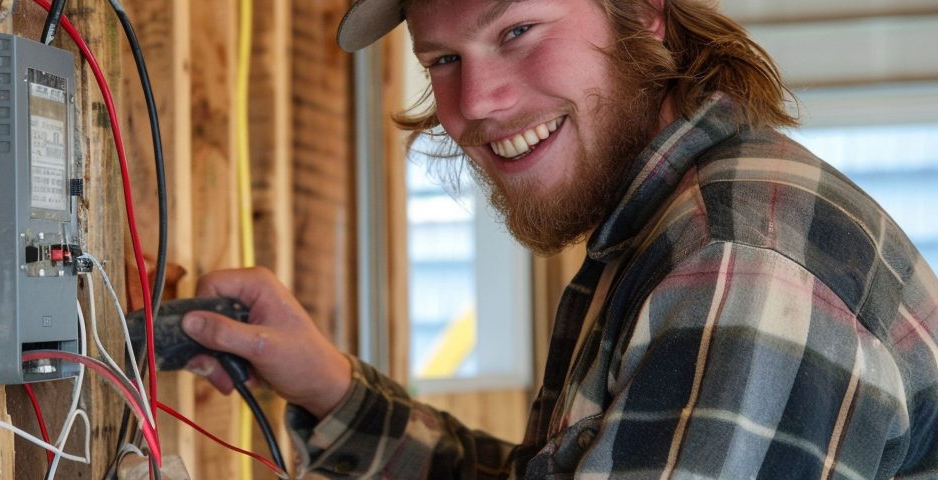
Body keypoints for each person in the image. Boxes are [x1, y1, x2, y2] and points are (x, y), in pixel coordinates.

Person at [179, 0, 938, 477]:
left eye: (517, 30)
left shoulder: (736, 262)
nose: (476, 103)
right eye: (443, 60)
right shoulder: (661, 233)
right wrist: (331, 388)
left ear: (643, 12)